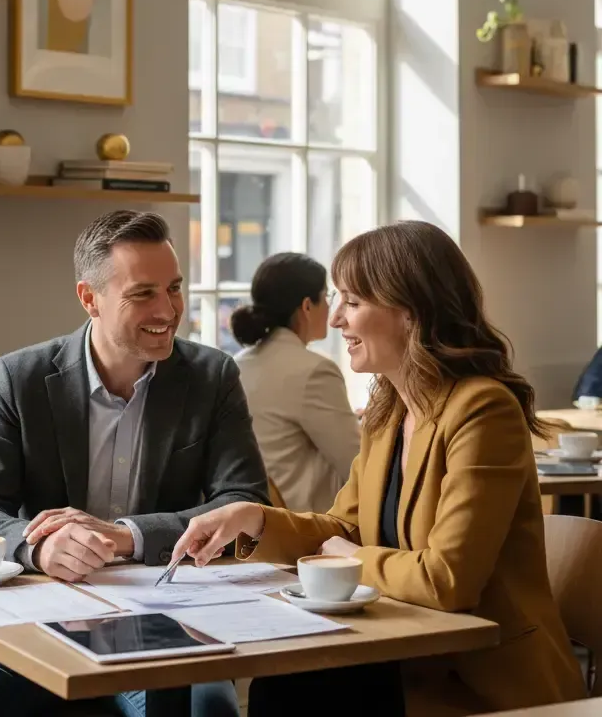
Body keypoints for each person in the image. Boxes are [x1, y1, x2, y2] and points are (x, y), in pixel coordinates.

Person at [171, 220, 586, 717]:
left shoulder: (483, 410)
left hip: (476, 677)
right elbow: (342, 527)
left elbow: (447, 579)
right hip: (401, 651)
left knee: (294, 696)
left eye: (353, 302)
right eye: (336, 300)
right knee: (283, 686)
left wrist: (351, 555)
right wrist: (252, 521)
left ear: (410, 312)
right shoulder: (390, 411)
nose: (335, 320)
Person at [0, 210, 269, 717]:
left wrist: (127, 535)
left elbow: (244, 503)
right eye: (142, 293)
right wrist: (39, 548)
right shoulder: (19, 378)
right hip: (31, 601)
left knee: (207, 712)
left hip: (164, 609)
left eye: (173, 288)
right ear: (90, 299)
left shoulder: (211, 376)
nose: (168, 309)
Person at [230, 252, 359, 513]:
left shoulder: (238, 363)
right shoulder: (314, 371)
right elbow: (358, 465)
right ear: (307, 306)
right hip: (308, 525)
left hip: (254, 520)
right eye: (328, 297)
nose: (332, 311)